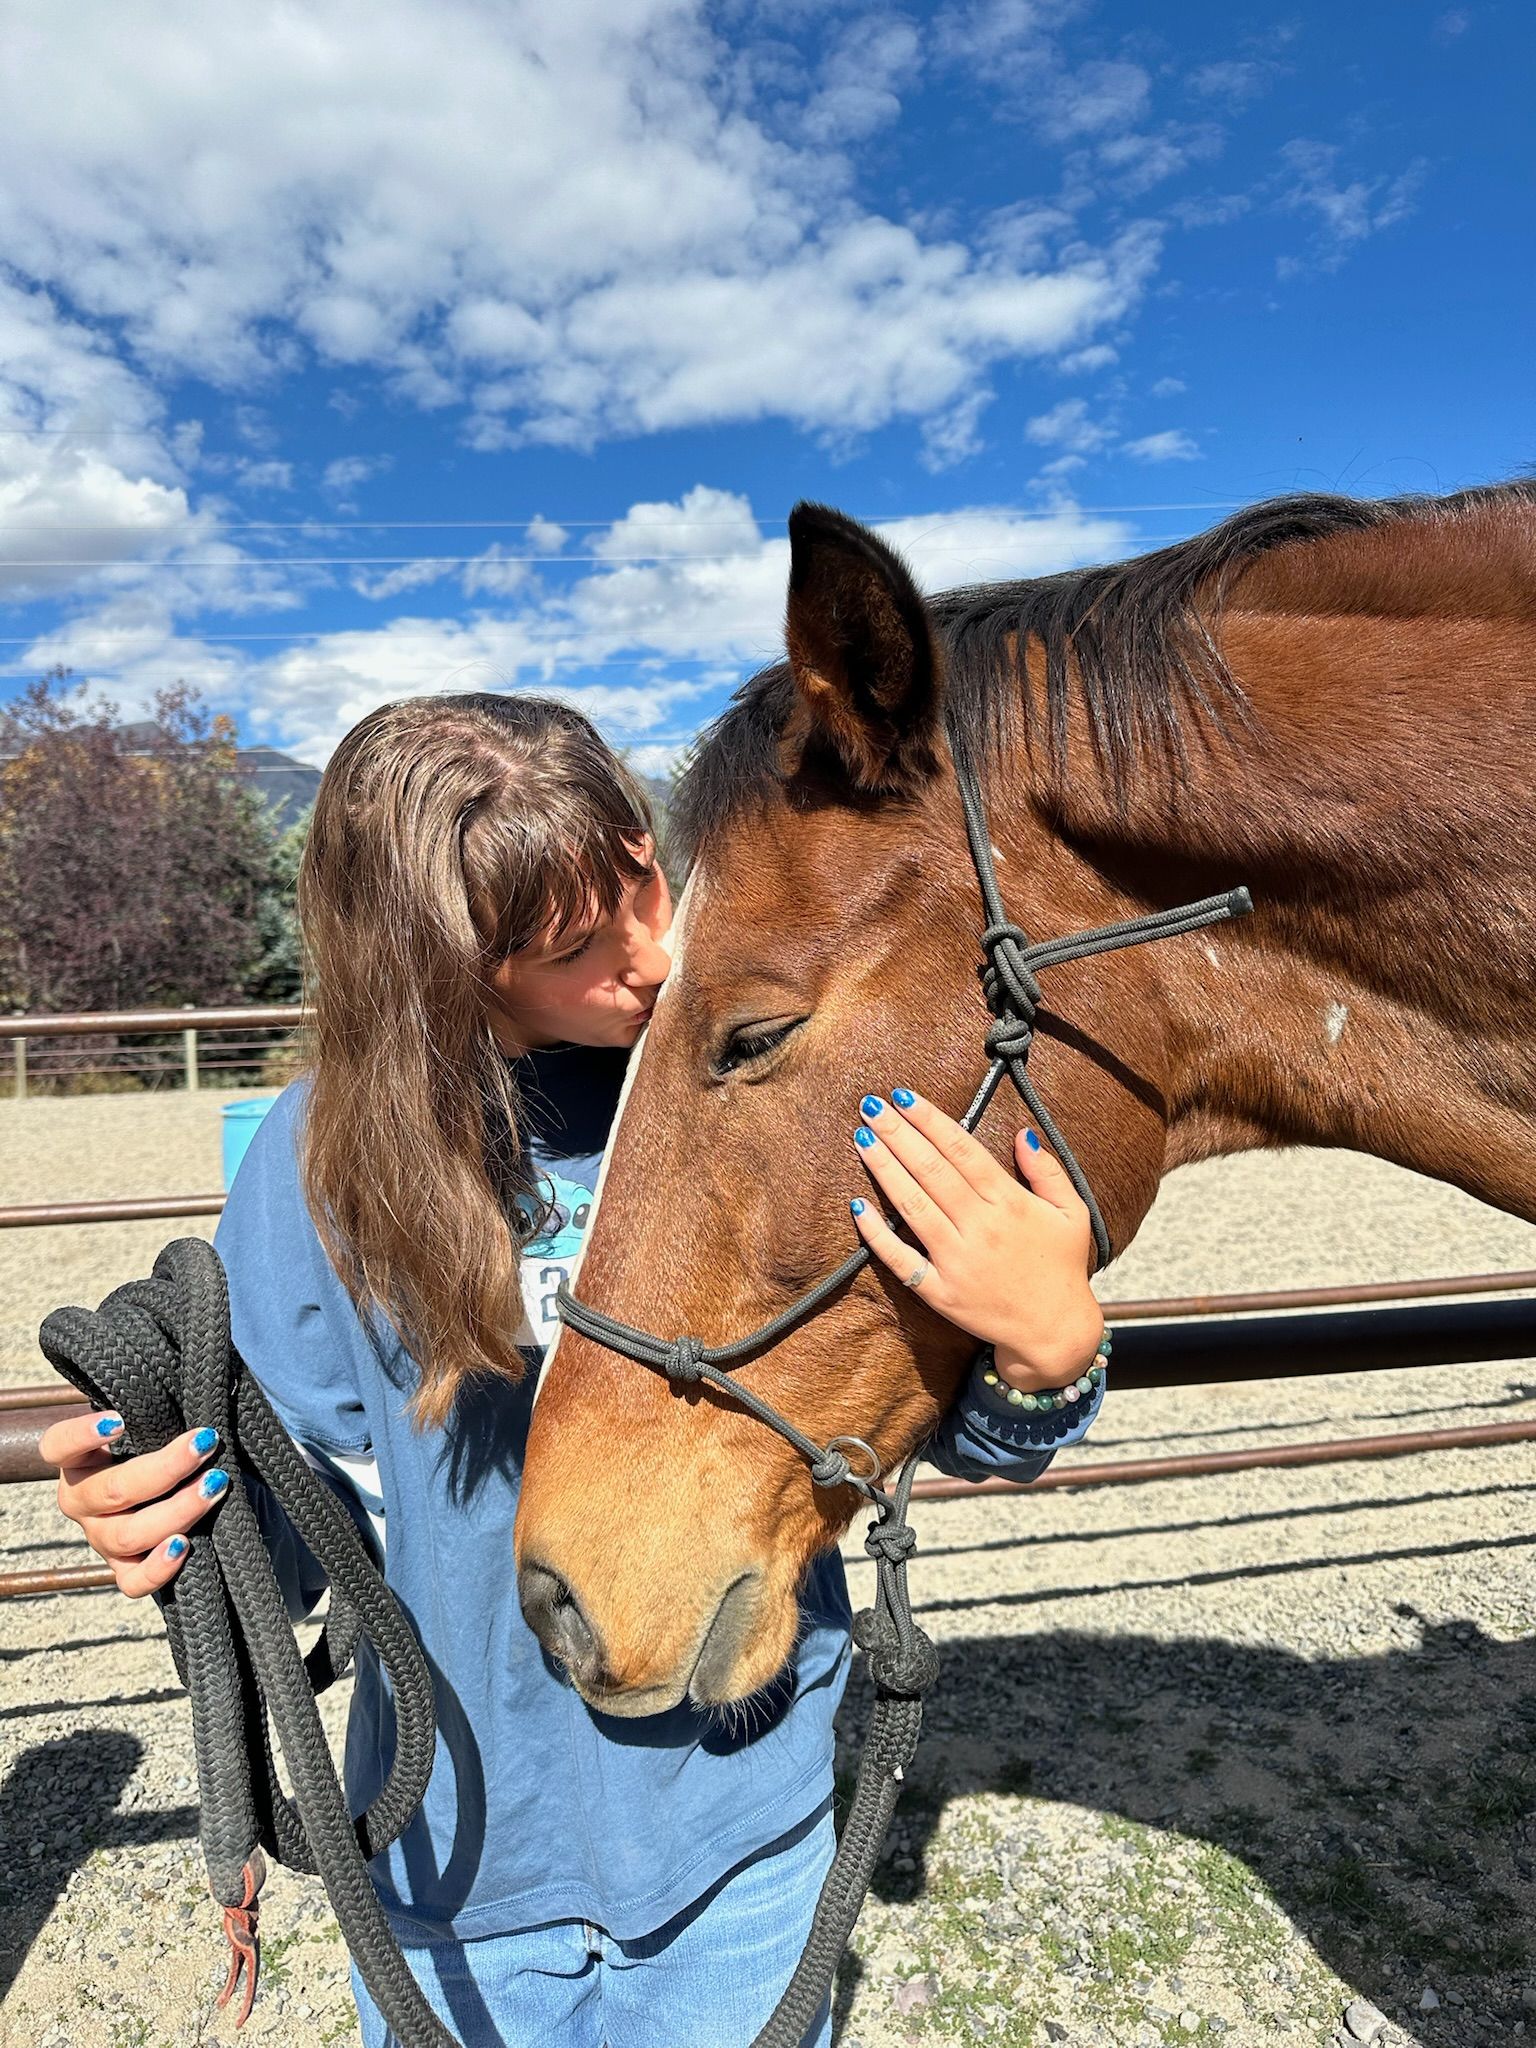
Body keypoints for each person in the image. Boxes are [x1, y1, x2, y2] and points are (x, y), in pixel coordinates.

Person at [41, 693, 1110, 2048]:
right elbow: (307, 1531)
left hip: (741, 1842)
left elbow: (940, 1430)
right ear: (439, 970)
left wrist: (1050, 1348)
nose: (654, 954)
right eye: (572, 945)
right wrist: (178, 1524)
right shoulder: (320, 1168)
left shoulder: (783, 1086)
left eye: (644, 879)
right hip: (456, 1860)